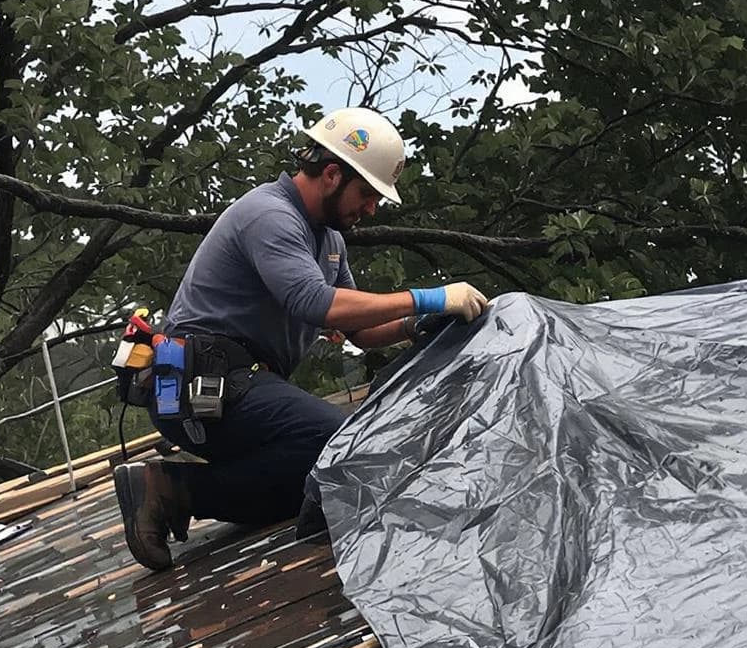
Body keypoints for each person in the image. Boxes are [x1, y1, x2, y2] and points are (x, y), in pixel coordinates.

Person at [112, 107, 489, 568]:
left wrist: (418, 325)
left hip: (239, 386)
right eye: (367, 194)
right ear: (332, 173)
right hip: (205, 383)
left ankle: (171, 489)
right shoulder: (269, 214)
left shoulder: (329, 240)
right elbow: (316, 303)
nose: (370, 209)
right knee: (335, 442)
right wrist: (427, 298)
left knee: (317, 485)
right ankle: (166, 489)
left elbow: (359, 328)